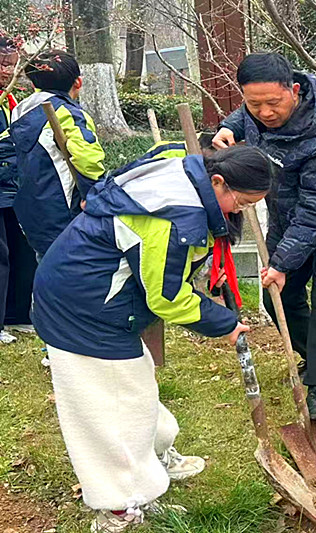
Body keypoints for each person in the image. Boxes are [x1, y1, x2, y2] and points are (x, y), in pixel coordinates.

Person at [32, 145, 273, 532]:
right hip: (83, 305)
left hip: (93, 289)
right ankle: (119, 504)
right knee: (107, 405)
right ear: (217, 180)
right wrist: (222, 323)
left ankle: (153, 457)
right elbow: (167, 297)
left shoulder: (182, 163)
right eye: (240, 202)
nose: (239, 211)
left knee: (134, 386)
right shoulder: (176, 217)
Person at [212, 52, 316, 420]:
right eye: (255, 104)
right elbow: (245, 118)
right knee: (277, 296)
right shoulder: (255, 113)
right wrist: (229, 126)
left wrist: (282, 261)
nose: (265, 113)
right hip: (287, 215)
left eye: (273, 103)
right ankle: (312, 356)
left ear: (295, 90)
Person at [9, 49, 106, 259]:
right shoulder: (69, 113)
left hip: (31, 209)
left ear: (34, 84)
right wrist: (95, 193)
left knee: (46, 265)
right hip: (64, 210)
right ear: (78, 82)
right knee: (73, 270)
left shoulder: (20, 111)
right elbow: (87, 157)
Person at [0, 37, 36, 343]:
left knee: (22, 250)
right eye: (1, 64)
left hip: (14, 189)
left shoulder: (10, 100)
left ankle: (17, 314)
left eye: (10, 65)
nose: (5, 71)